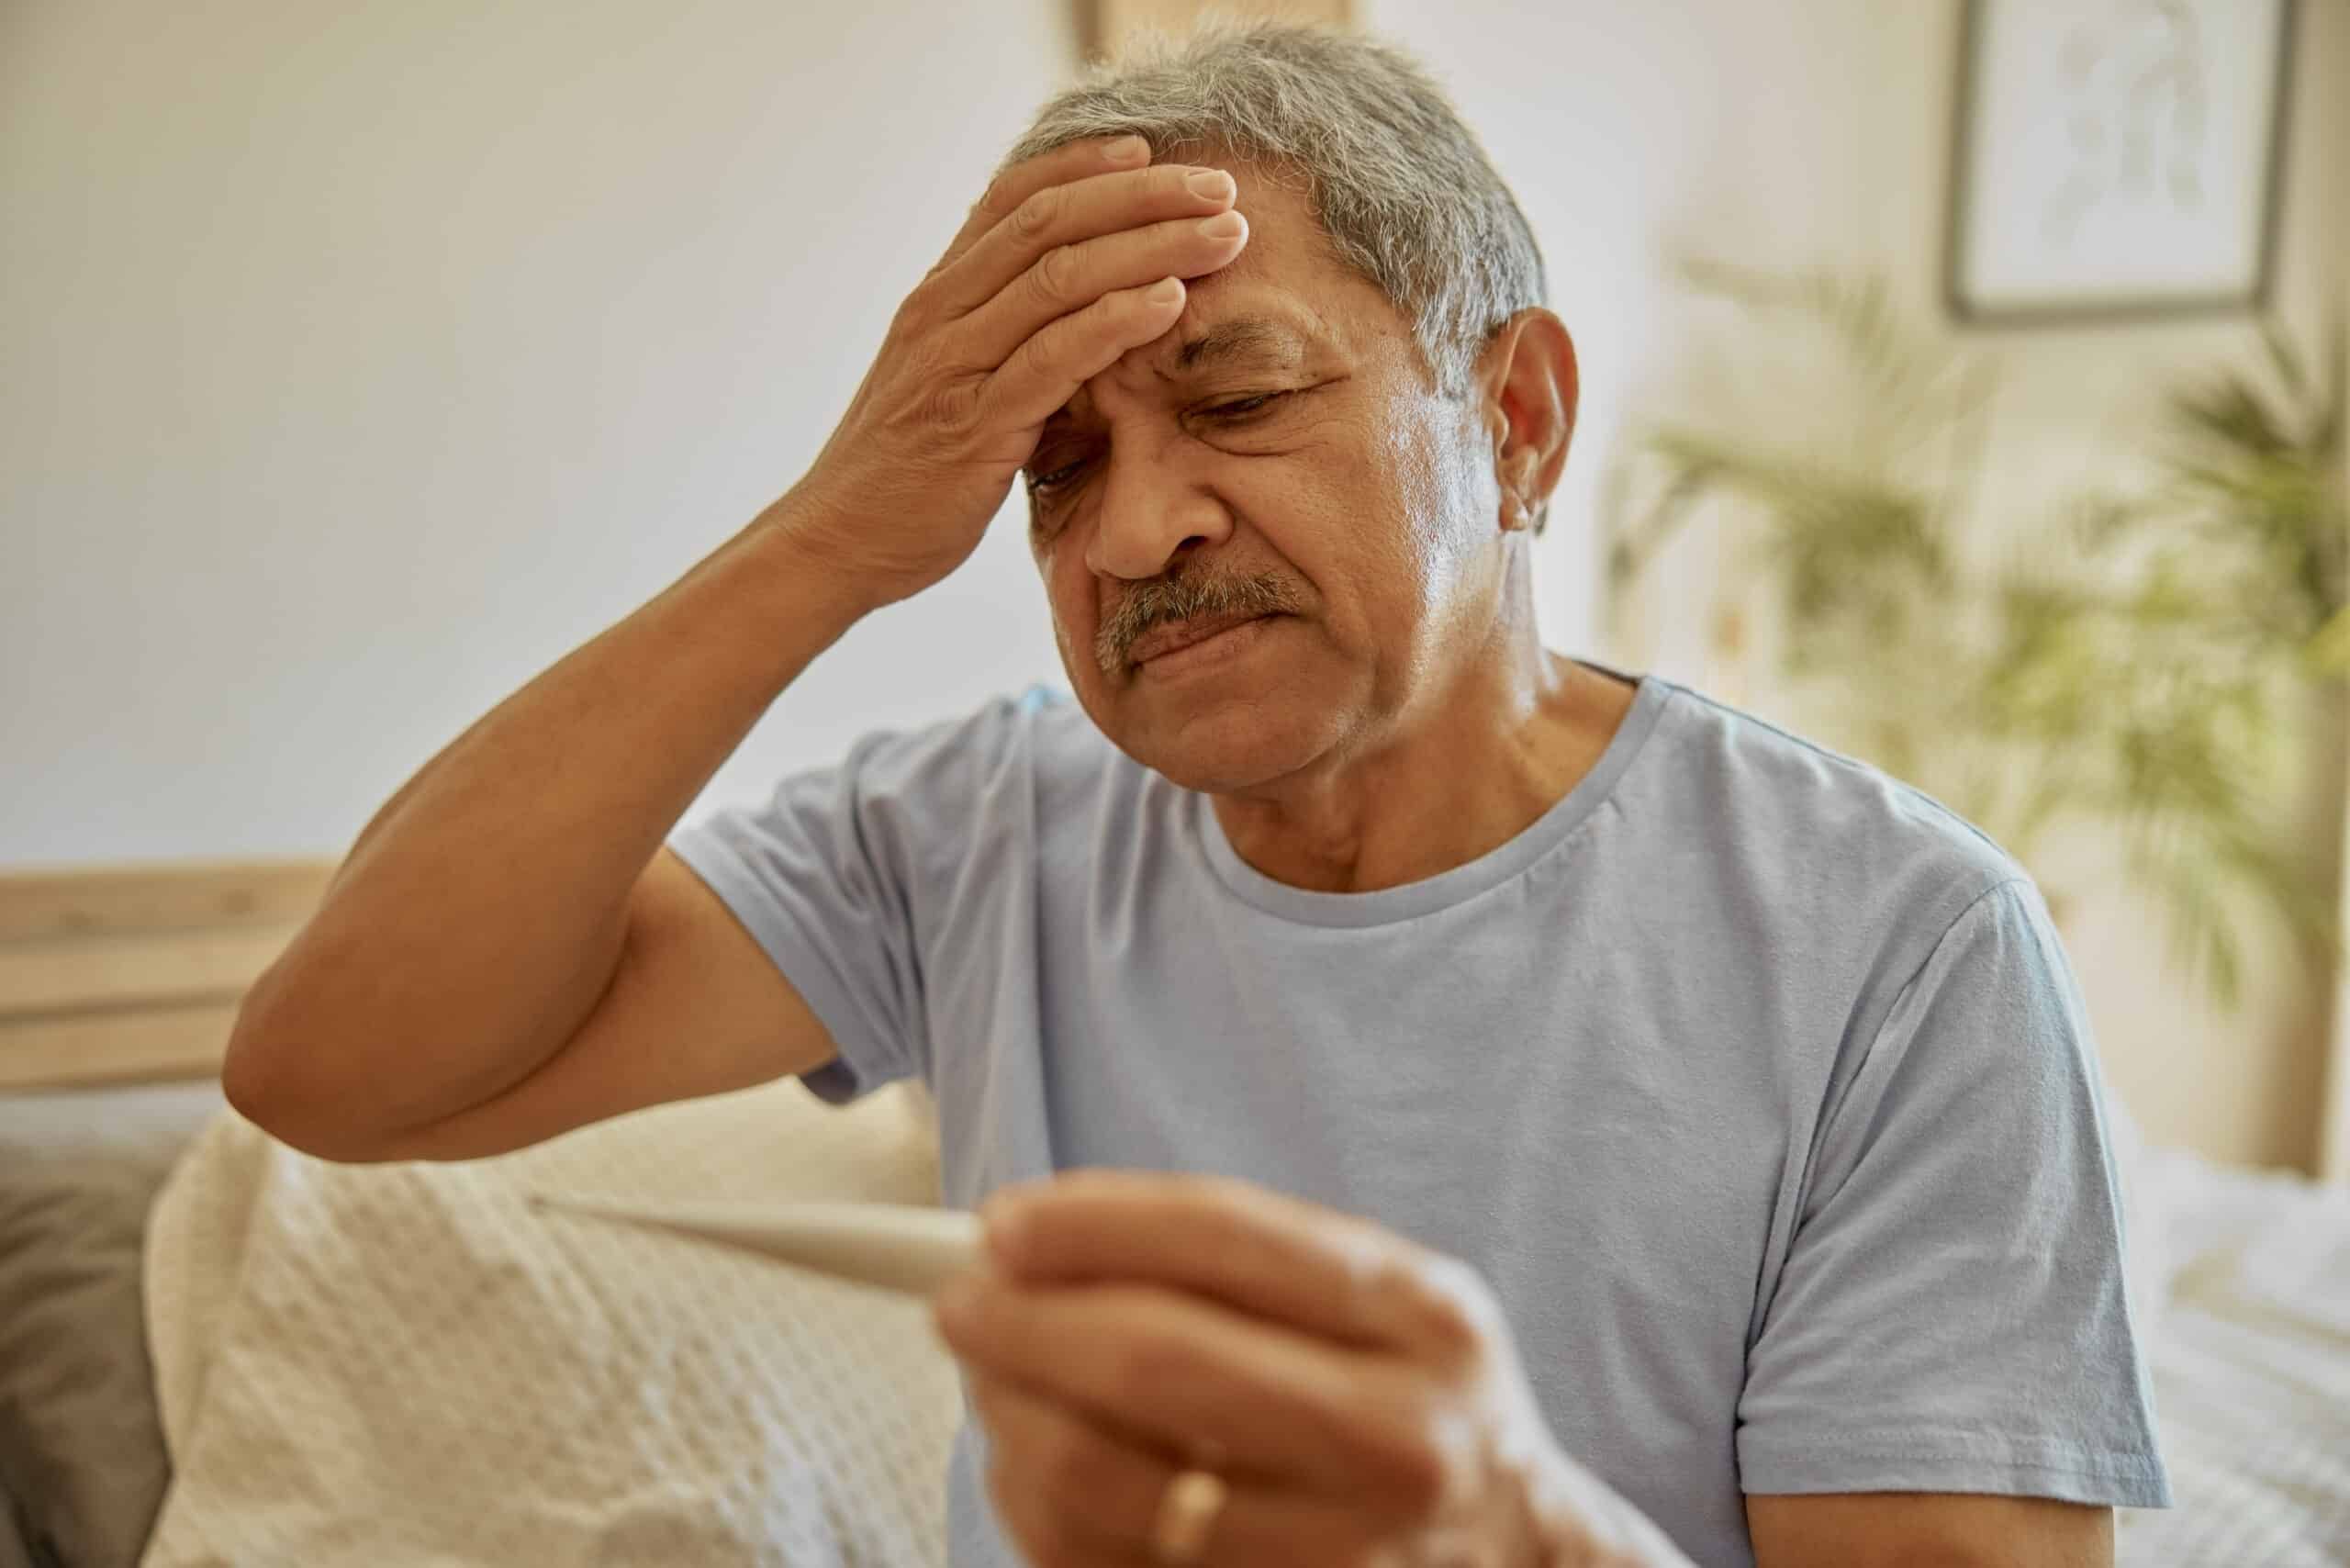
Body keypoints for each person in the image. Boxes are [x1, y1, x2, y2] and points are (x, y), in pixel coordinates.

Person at [223, 23, 2168, 1568]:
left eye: (1237, 400)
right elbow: (330, 1065)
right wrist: (835, 530)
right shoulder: (977, 829)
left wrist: (1501, 1537)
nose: (1139, 525)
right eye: (1051, 467)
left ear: (1515, 418)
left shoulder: (1899, 947)